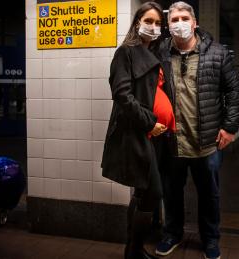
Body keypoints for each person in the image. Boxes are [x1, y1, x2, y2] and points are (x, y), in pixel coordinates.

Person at [156, 2, 239, 259]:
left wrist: (229, 127)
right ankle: (172, 233)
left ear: (195, 23)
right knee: (171, 193)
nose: (179, 23)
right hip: (172, 140)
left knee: (210, 195)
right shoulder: (160, 53)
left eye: (184, 18)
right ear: (168, 25)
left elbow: (234, 91)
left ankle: (211, 239)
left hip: (207, 142)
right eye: (174, 19)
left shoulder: (217, 53)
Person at [101, 2, 174, 259]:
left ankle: (133, 251)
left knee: (143, 191)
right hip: (137, 133)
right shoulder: (126, 53)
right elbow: (122, 94)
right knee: (153, 191)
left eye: (158, 23)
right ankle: (133, 250)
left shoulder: (153, 53)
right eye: (149, 21)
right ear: (137, 22)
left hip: (154, 136)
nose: (153, 27)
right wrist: (149, 122)